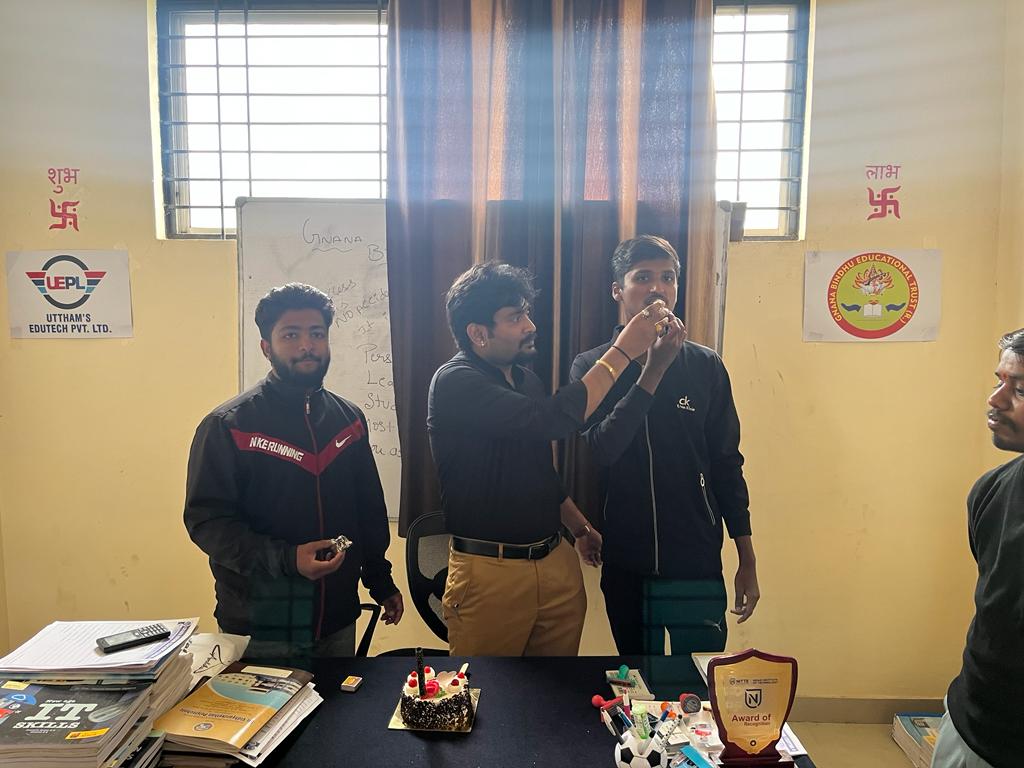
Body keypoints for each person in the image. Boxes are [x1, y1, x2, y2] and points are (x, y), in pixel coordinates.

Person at [428, 261, 675, 655]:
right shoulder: (456, 381)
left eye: (526, 313)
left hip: (554, 561)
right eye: (515, 318)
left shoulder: (525, 379)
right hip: (491, 571)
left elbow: (539, 471)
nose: (530, 326)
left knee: (558, 687)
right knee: (489, 689)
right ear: (478, 334)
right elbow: (552, 420)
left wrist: (579, 527)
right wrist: (624, 351)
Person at [184, 283, 403, 661]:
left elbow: (367, 511)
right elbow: (207, 523)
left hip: (337, 619)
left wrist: (380, 581)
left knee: (339, 702)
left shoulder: (349, 420)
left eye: (317, 334)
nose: (307, 345)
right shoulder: (227, 426)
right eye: (290, 335)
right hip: (260, 626)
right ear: (266, 347)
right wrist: (287, 559)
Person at [570, 235, 758, 657]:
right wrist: (652, 371)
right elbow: (600, 450)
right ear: (618, 290)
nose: (657, 288)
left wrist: (747, 557)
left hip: (696, 561)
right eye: (642, 277)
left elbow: (727, 464)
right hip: (627, 562)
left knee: (699, 678)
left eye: (667, 278)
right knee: (638, 682)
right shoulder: (594, 367)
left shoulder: (705, 365)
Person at [933, 328, 1024, 768]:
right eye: (1000, 381)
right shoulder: (991, 492)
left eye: (1020, 390)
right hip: (971, 728)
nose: (995, 399)